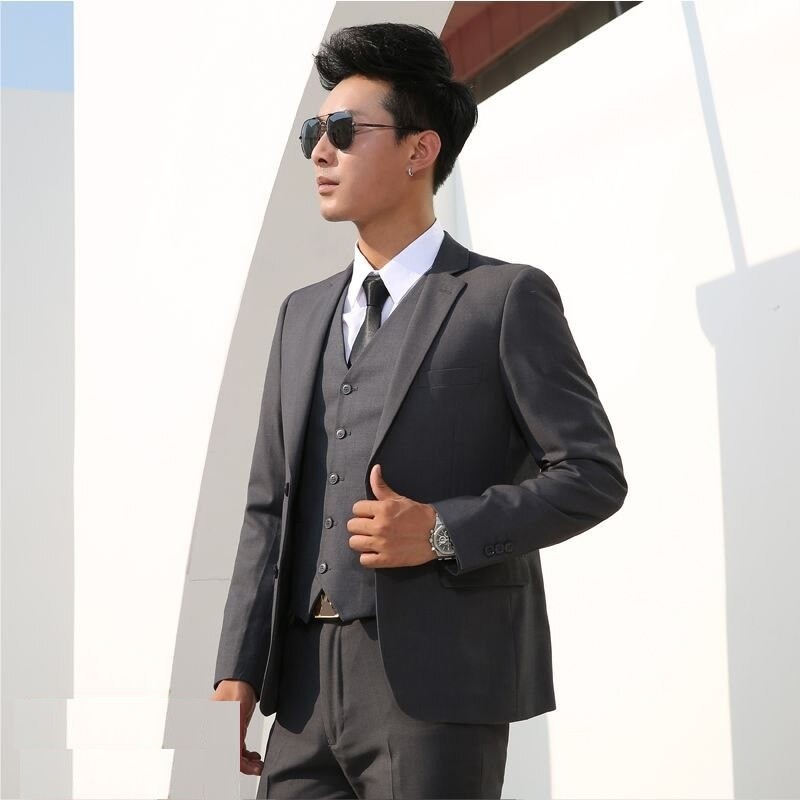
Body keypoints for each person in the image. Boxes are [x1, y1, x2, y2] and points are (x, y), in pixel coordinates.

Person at [211, 21, 627, 800]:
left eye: (343, 130)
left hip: (439, 685)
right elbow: (269, 503)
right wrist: (239, 662)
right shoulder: (300, 314)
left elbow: (592, 476)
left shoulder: (503, 298)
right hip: (300, 690)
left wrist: (440, 530)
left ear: (419, 150)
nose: (320, 152)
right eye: (312, 134)